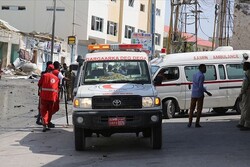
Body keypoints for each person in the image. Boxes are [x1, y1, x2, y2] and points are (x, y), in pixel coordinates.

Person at [38, 64, 59, 132]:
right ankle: (47, 123)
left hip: (44, 96)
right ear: (53, 70)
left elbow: (39, 84)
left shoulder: (44, 76)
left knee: (44, 111)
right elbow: (57, 87)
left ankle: (44, 124)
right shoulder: (56, 78)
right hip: (52, 97)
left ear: (47, 69)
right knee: (50, 111)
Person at [36, 61, 53, 125]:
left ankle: (41, 119)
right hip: (48, 94)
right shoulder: (47, 74)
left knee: (41, 107)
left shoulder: (43, 73)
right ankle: (44, 121)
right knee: (45, 108)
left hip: (42, 92)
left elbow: (39, 84)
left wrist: (39, 91)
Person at [237, 60, 250, 131]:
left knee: (246, 108)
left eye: (244, 66)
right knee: (245, 107)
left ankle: (247, 124)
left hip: (247, 93)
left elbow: (244, 86)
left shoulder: (247, 74)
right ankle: (242, 122)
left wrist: (240, 94)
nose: (243, 67)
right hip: (247, 92)